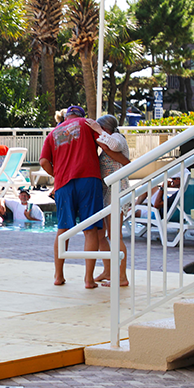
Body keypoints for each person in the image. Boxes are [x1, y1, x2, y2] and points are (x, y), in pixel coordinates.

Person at [39, 105, 103, 289]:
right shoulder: (88, 124)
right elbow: (105, 143)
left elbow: (43, 161)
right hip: (88, 179)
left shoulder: (53, 133)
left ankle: (58, 276)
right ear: (82, 115)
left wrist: (57, 174)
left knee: (63, 229)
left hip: (63, 185)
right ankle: (89, 279)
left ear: (66, 117)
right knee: (90, 230)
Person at [87, 114, 131, 287]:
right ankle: (108, 270)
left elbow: (114, 145)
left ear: (106, 128)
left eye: (100, 129)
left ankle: (121, 277)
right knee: (100, 235)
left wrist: (98, 131)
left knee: (115, 236)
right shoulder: (106, 142)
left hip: (117, 192)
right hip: (107, 193)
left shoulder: (117, 137)